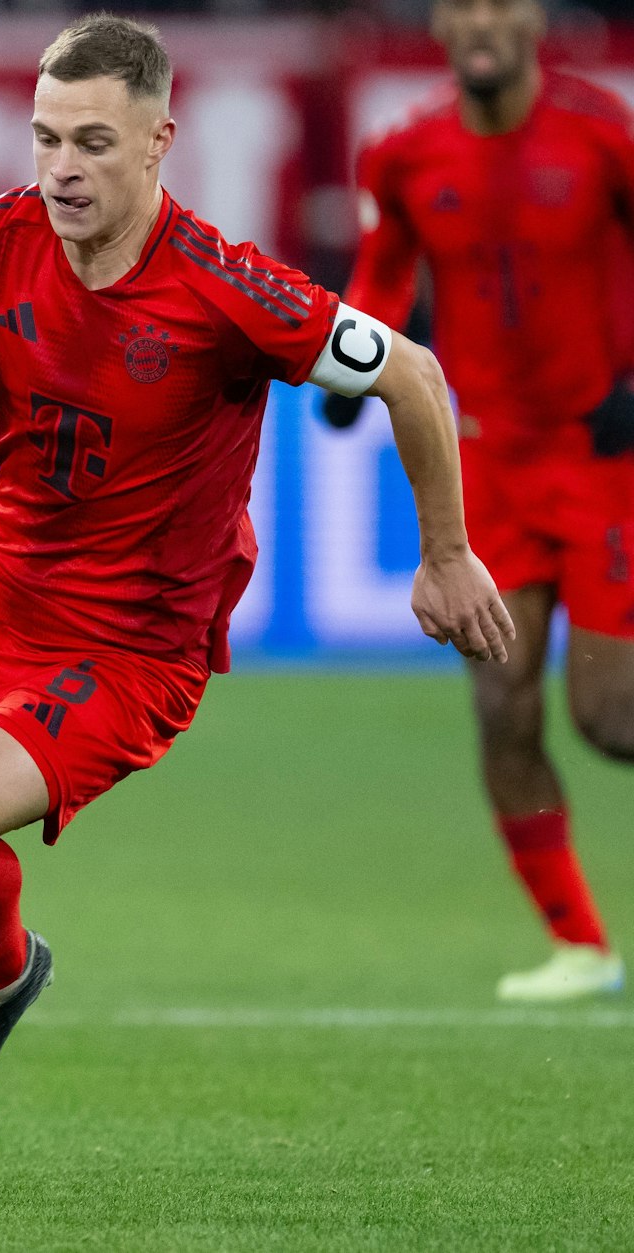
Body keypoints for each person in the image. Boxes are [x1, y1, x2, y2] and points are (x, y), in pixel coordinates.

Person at [0, 13, 512, 1191]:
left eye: (92, 143)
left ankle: (0, 976)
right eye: (44, 138)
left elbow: (409, 371)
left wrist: (445, 553)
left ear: (160, 140)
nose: (59, 168)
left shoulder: (225, 287)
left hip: (130, 642)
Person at [327, 0, 633, 1002]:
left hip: (597, 455)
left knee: (607, 712)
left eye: (499, 3)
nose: (480, 23)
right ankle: (580, 945)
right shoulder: (402, 152)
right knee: (500, 704)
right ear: (443, 26)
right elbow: (381, 274)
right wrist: (348, 364)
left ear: (534, 19)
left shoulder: (600, 133)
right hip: (485, 466)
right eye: (460, 6)